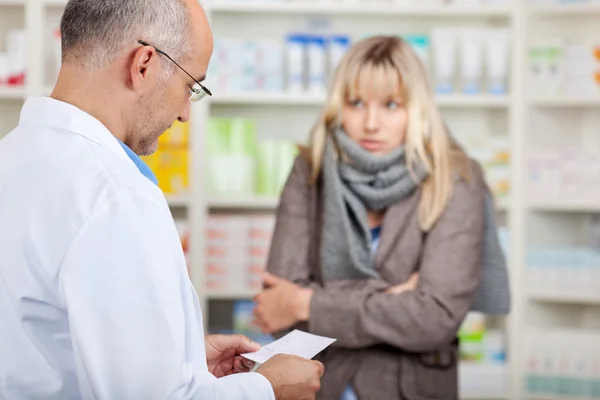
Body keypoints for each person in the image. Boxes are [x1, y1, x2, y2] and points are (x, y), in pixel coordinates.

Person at [0, 0, 324, 399]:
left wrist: (180, 359)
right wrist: (267, 388)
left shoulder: (12, 158)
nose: (186, 113)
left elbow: (45, 344)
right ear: (143, 64)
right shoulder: (115, 196)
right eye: (191, 85)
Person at [252, 35, 509, 400]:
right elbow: (279, 312)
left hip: (413, 389)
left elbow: (435, 318)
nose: (371, 123)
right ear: (339, 105)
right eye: (356, 103)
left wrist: (308, 301)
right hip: (323, 384)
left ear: (416, 109)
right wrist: (394, 294)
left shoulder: (456, 177)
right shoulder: (310, 171)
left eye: (391, 105)